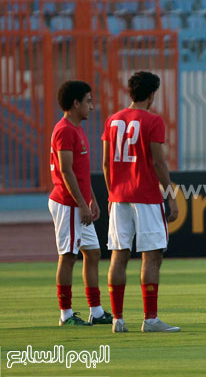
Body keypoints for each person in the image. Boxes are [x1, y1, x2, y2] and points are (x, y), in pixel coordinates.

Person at [102, 71, 179, 333]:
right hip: (145, 196)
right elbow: (158, 162)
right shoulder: (153, 121)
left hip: (119, 196)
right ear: (151, 94)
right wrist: (170, 195)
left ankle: (118, 319)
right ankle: (150, 319)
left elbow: (105, 163)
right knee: (152, 256)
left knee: (118, 255)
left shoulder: (112, 120)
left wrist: (112, 193)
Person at [49, 80, 113, 326]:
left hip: (79, 203)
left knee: (93, 253)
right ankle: (65, 314)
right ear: (75, 103)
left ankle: (95, 312)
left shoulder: (76, 128)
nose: (92, 107)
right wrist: (82, 204)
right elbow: (66, 171)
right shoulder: (65, 129)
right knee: (67, 256)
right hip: (68, 204)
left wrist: (92, 199)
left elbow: (81, 172)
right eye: (88, 101)